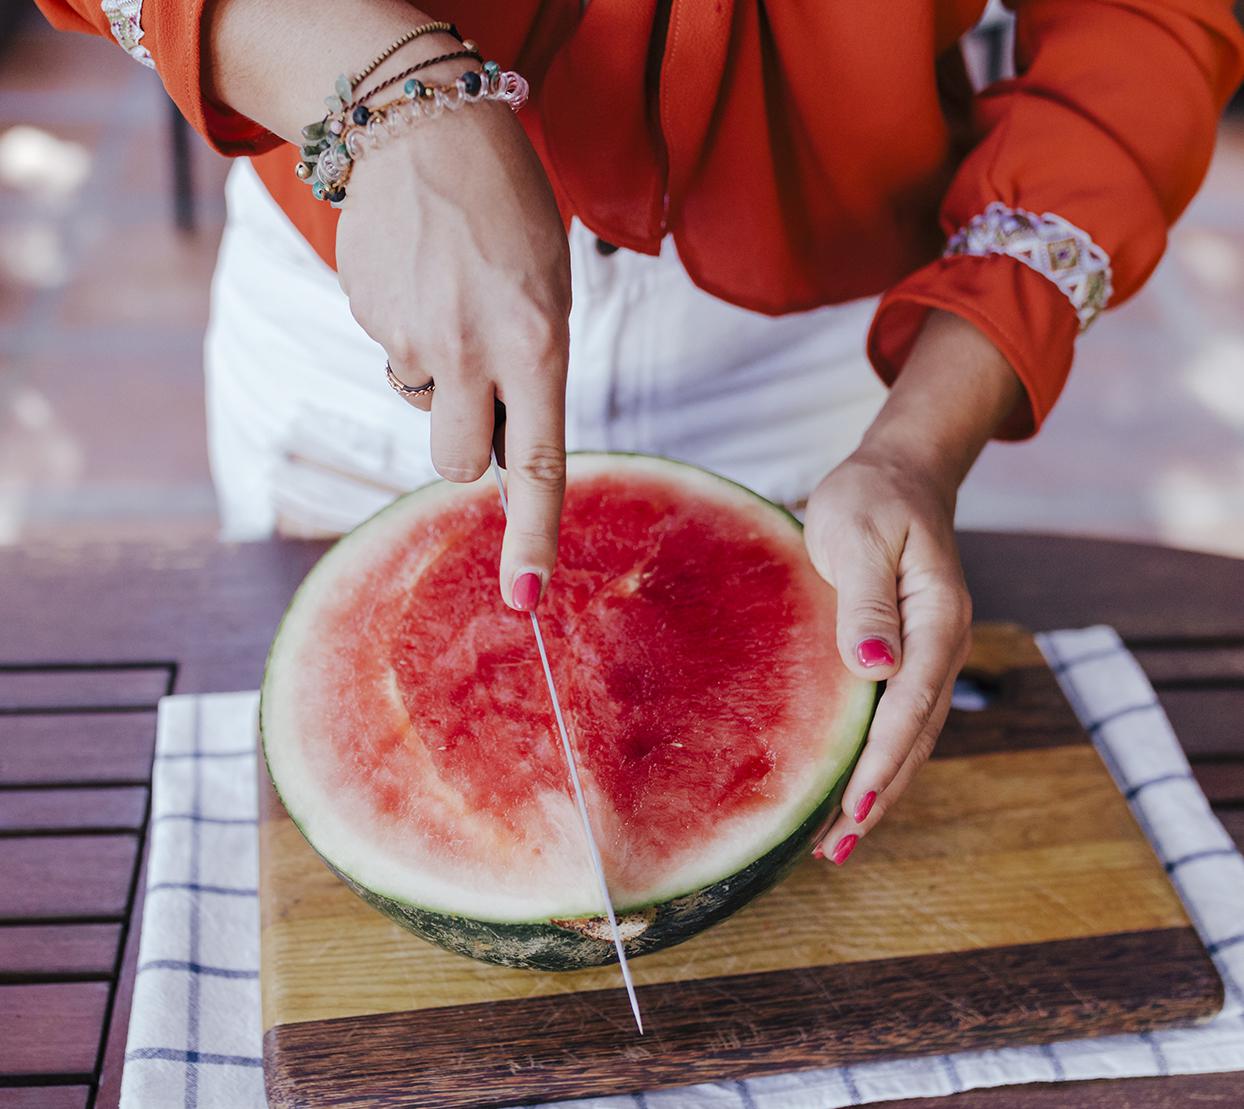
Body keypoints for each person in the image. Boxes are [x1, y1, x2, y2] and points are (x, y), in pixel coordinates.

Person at [36, 0, 1244, 865]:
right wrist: (385, 86)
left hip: (813, 352)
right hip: (377, 272)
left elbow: (1142, 21)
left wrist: (915, 442)